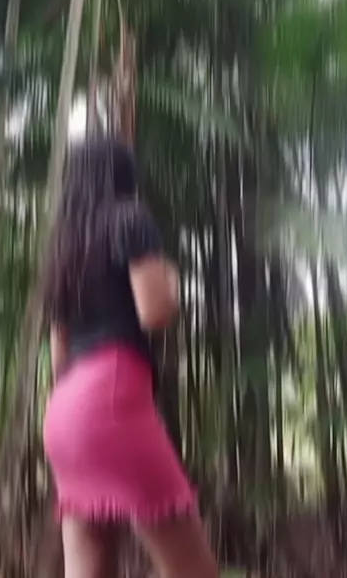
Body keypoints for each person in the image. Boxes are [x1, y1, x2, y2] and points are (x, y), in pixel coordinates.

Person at [42, 136, 219, 578]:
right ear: (124, 177)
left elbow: (58, 356)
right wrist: (172, 280)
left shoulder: (63, 250)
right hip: (110, 401)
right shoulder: (130, 218)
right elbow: (155, 312)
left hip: (63, 416)